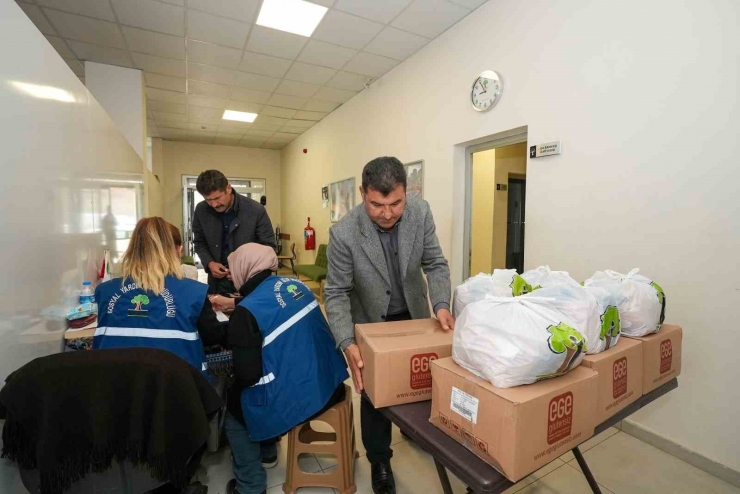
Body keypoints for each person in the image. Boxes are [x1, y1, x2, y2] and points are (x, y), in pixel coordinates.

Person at [324, 157, 455, 494]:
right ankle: (380, 460)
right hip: (370, 322)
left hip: (413, 316)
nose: (387, 213)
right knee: (373, 396)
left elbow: (436, 264)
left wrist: (441, 305)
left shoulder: (420, 213)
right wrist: (345, 340)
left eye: (396, 203)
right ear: (362, 193)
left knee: (421, 380)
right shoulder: (344, 232)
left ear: (406, 193)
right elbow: (336, 293)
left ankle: (415, 431)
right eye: (376, 204)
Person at [220, 243, 348, 494]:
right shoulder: (295, 285)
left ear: (243, 269)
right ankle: (268, 452)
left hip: (301, 399)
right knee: (267, 375)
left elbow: (248, 376)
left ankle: (251, 486)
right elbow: (276, 313)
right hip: (330, 382)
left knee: (235, 406)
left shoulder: (246, 313)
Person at [94, 217, 225, 377]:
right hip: (180, 387)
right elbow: (213, 336)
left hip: (117, 386)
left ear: (133, 250)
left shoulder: (104, 291)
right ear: (177, 251)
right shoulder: (194, 292)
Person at [192, 170, 276, 295]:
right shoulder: (201, 210)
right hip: (216, 281)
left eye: (217, 198)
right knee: (218, 314)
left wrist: (241, 270)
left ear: (228, 188)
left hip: (249, 282)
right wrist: (209, 263)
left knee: (245, 314)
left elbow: (268, 249)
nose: (214, 204)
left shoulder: (256, 210)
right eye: (208, 200)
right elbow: (199, 242)